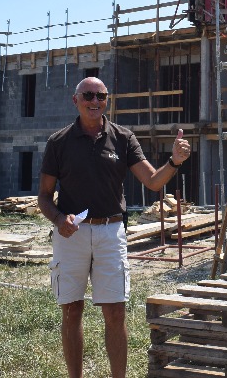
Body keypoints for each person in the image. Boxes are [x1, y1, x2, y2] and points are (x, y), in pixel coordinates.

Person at [37, 76, 190, 378]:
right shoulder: (59, 142)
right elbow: (44, 196)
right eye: (88, 96)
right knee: (71, 310)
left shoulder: (123, 138)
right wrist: (58, 219)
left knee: (116, 312)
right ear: (76, 100)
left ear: (107, 100)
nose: (95, 101)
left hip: (110, 232)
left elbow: (152, 181)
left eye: (101, 96)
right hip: (71, 234)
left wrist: (174, 161)